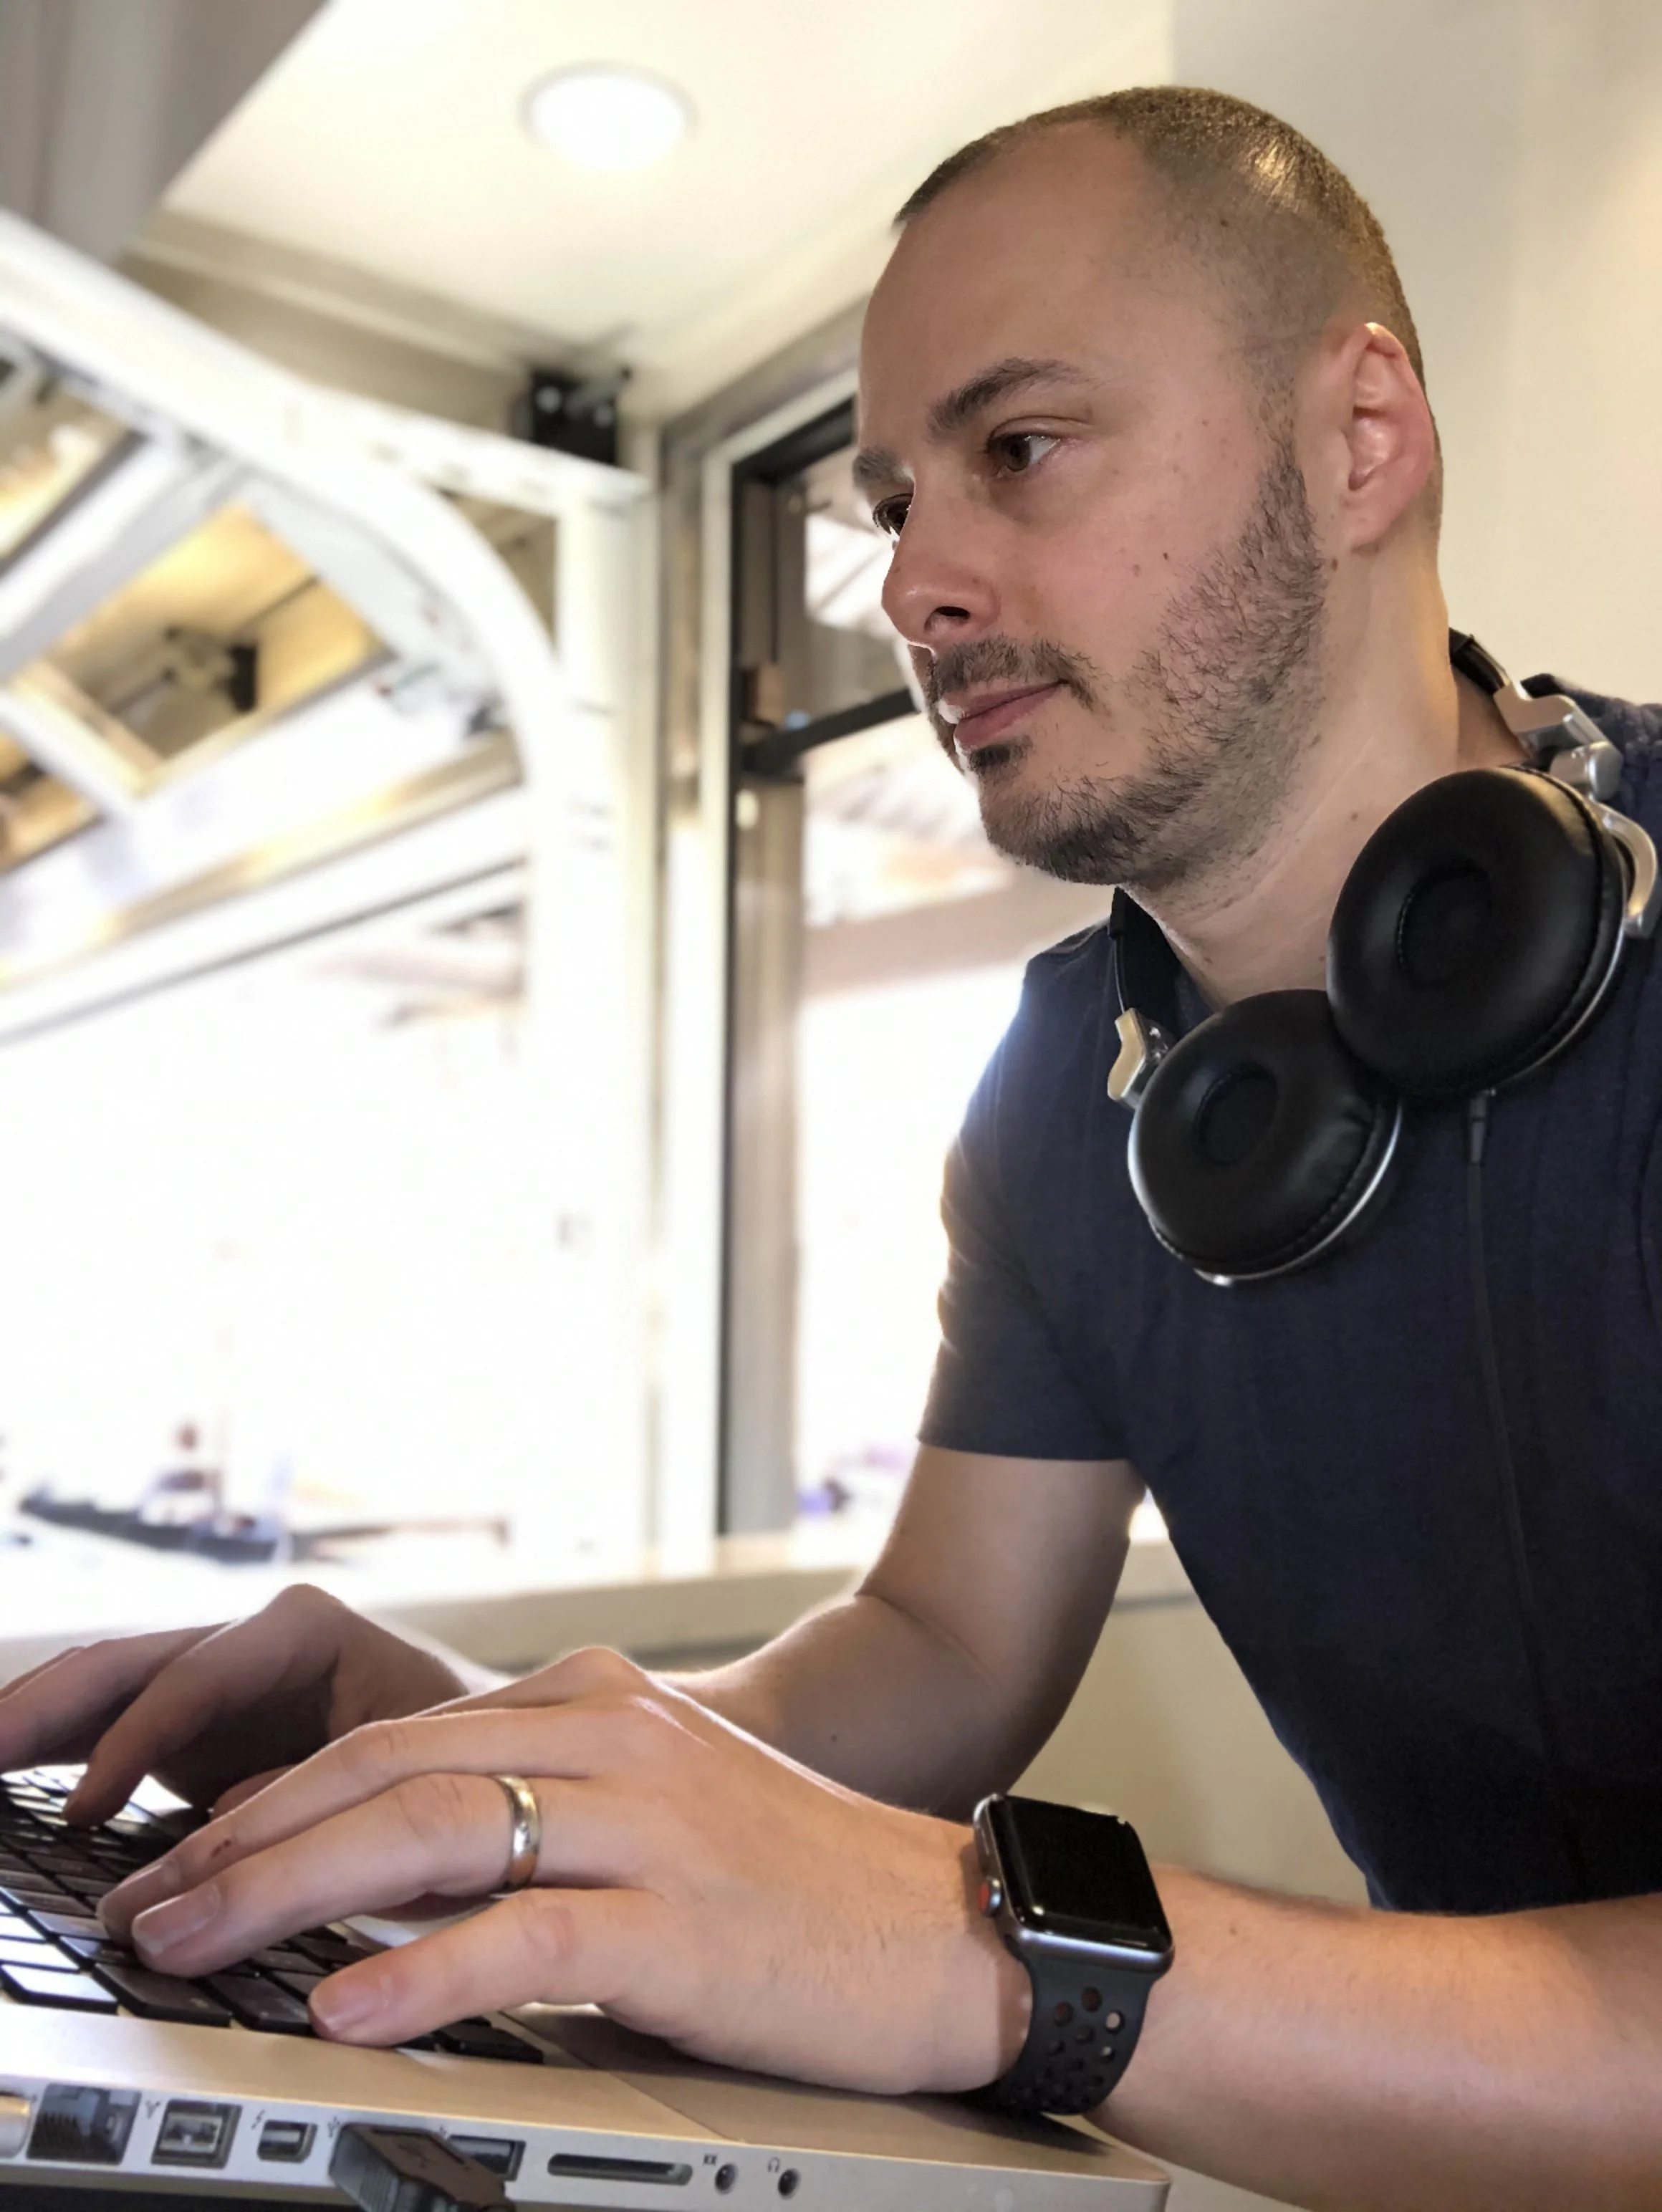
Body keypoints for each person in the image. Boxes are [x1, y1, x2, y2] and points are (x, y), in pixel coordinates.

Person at [2, 85, 1660, 2211]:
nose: (915, 585)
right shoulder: (1067, 1084)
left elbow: (962, 1912)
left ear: (1359, 440)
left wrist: (993, 1956)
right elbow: (938, 1654)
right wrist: (493, 1748)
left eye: (1020, 448)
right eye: (892, 501)